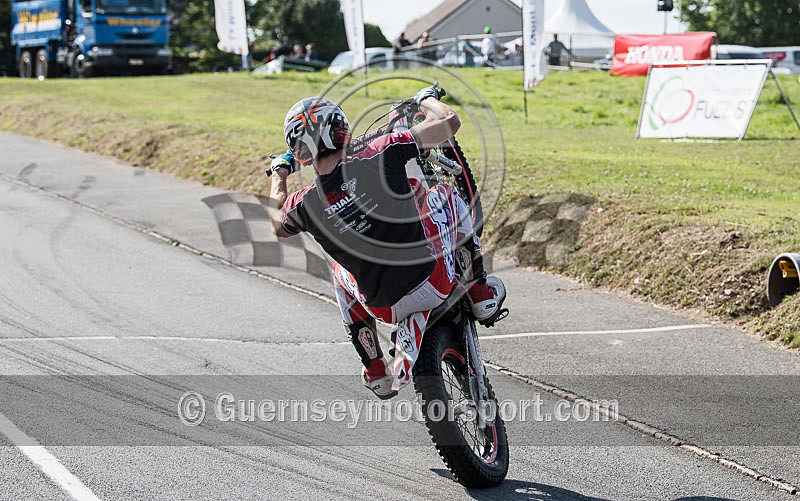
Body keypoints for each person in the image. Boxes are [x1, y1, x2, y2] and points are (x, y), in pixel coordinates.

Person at [267, 89, 506, 399]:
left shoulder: (304, 203)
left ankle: (375, 370)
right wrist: (426, 98)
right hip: (433, 281)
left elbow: (276, 224)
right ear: (342, 129)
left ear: (301, 154)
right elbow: (449, 121)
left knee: (339, 274)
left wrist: (279, 173)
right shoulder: (382, 150)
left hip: (384, 309)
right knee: (443, 195)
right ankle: (479, 291)